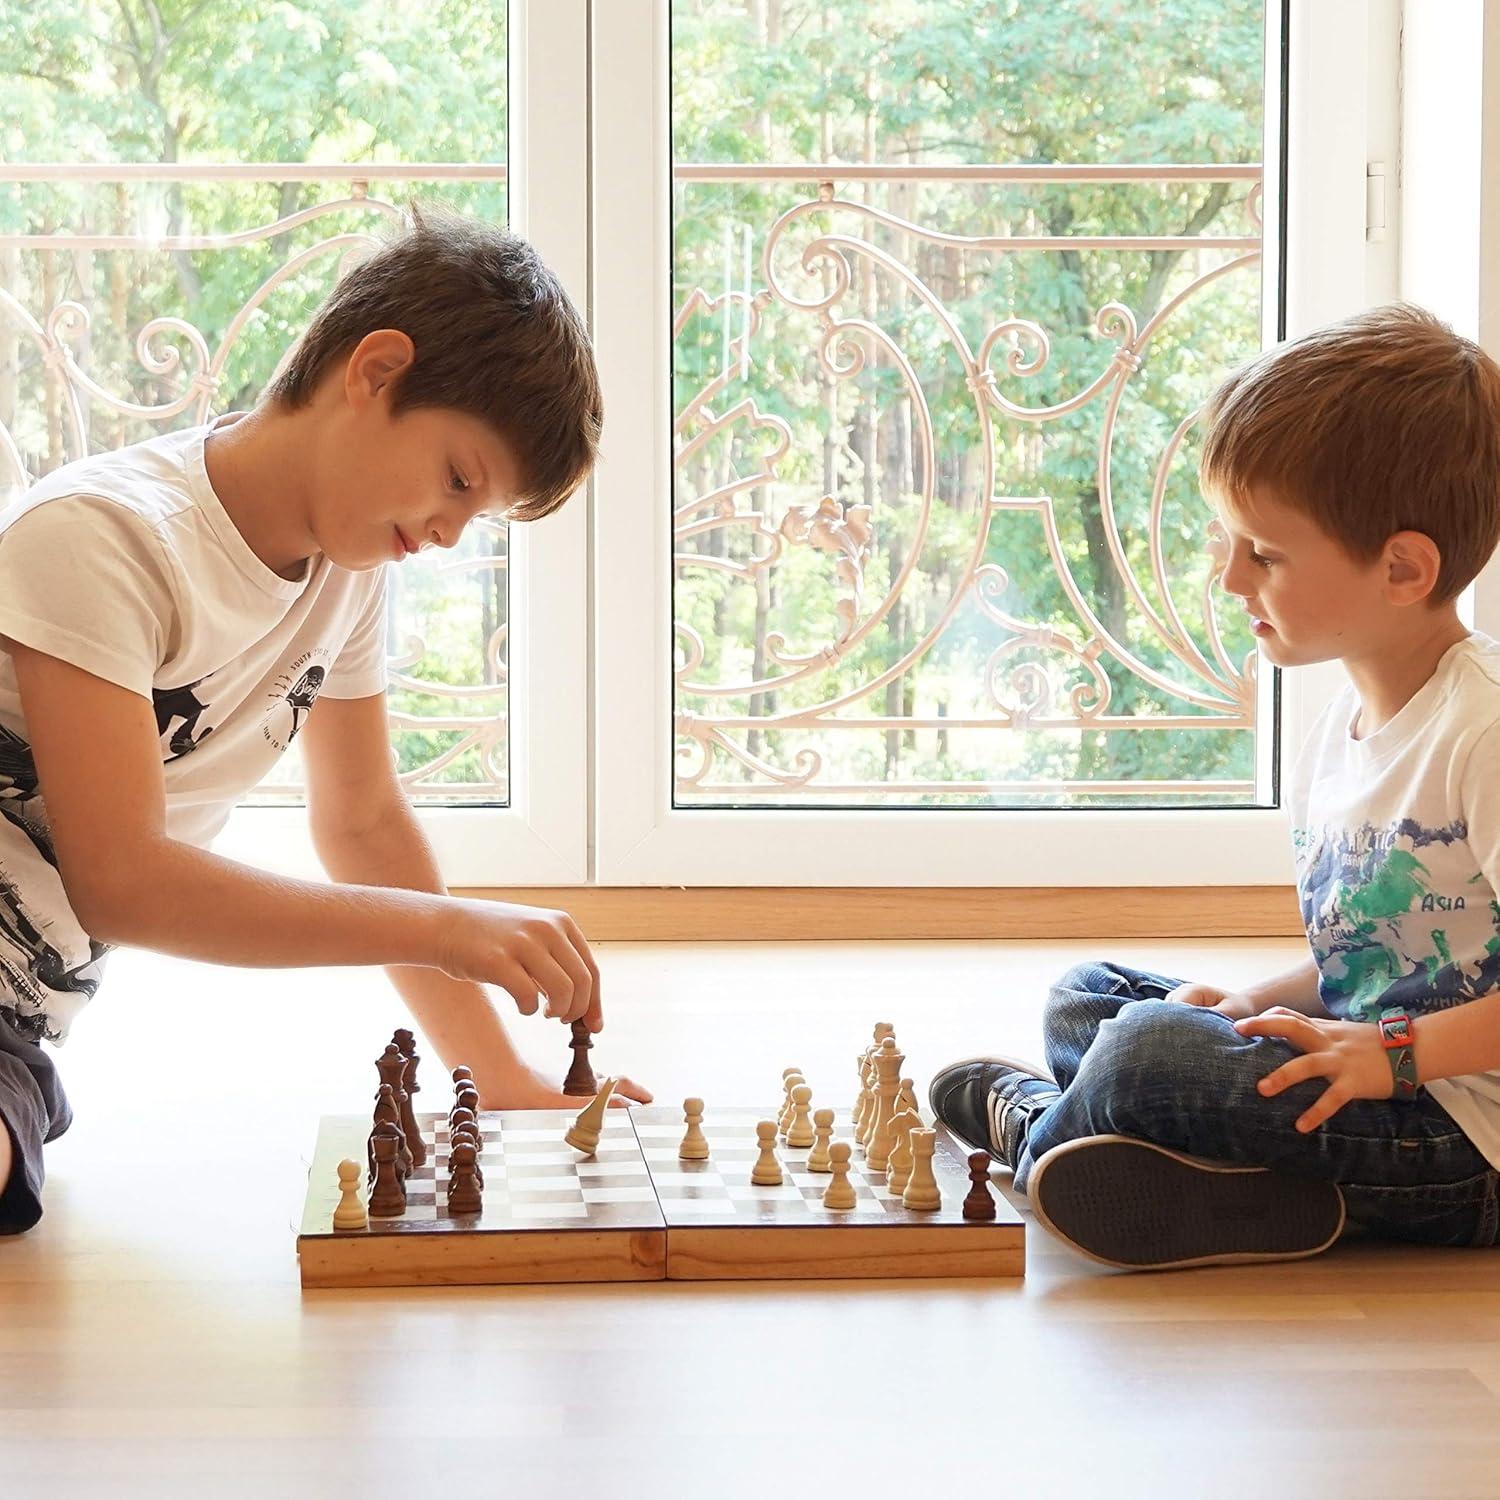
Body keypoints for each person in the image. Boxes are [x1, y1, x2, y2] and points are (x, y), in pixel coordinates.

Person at [0, 205, 650, 1236]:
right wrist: (448, 928)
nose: (445, 534)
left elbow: (361, 823)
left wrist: (501, 1073)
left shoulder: (346, 577)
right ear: (376, 370)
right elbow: (121, 883)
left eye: (472, 517)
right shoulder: (100, 542)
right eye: (458, 479)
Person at [930, 304, 1500, 1270]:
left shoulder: (1483, 730)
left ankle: (1040, 1138)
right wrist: (1248, 1005)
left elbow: (1408, 1010)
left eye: (1264, 554)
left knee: (1147, 1053)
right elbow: (1382, 959)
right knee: (1095, 998)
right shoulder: (1343, 727)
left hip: (1463, 1139)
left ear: (1403, 568)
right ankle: (1235, 1189)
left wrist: (1392, 1055)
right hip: (1372, 1069)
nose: (1229, 577)